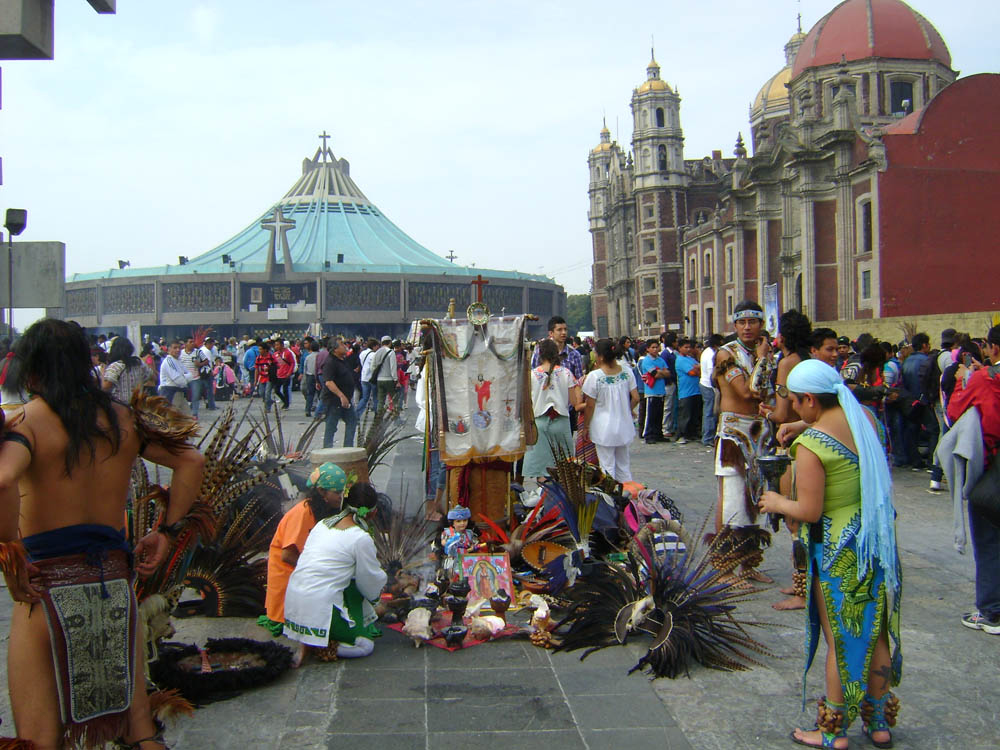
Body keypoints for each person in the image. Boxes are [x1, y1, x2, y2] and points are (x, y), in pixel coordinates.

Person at [0, 319, 205, 749]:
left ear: (31, 371)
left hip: (46, 594)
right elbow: (191, 462)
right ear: (86, 363)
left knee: (39, 741)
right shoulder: (124, 420)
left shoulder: (26, 423)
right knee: (137, 730)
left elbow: (2, 481)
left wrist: (10, 555)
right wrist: (165, 531)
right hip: (113, 589)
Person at [760, 359, 901, 750]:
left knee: (839, 638)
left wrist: (775, 501)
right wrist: (803, 424)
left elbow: (808, 511)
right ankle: (878, 722)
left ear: (809, 399)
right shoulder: (866, 421)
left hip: (837, 549)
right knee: (875, 634)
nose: (791, 409)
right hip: (870, 542)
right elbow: (836, 421)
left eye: (794, 402)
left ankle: (832, 729)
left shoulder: (811, 447)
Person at [283, 482, 386, 664]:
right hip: (319, 605)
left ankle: (309, 638)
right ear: (373, 513)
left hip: (294, 602)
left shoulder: (322, 524)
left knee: (352, 579)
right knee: (365, 645)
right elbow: (369, 580)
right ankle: (325, 646)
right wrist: (378, 600)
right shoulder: (360, 538)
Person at [712, 300, 773, 584]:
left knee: (754, 499)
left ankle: (749, 563)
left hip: (758, 432)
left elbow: (769, 394)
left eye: (753, 322)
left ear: (761, 324)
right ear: (734, 325)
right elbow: (749, 393)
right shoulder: (727, 354)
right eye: (742, 322)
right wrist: (762, 359)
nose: (747, 327)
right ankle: (724, 567)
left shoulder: (762, 353)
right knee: (732, 500)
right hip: (734, 434)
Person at [945, 325, 1000, 634]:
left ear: (992, 348)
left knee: (989, 540)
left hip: (992, 468)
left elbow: (954, 413)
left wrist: (962, 381)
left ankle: (991, 611)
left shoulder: (984, 379)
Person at [760, 309, 812, 611]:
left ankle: (801, 589)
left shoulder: (787, 364)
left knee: (795, 523)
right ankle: (801, 581)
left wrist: (763, 410)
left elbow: (781, 413)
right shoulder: (810, 360)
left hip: (790, 444)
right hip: (811, 440)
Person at [257, 462, 346, 637]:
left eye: (342, 492)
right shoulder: (303, 513)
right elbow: (288, 555)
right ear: (321, 492)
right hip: (288, 575)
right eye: (337, 492)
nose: (340, 497)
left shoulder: (322, 510)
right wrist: (317, 572)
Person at [523, 338, 583, 483]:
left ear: (540, 354)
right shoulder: (566, 373)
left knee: (542, 467)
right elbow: (575, 402)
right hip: (561, 422)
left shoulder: (531, 375)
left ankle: (544, 500)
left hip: (539, 424)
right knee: (565, 467)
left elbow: (526, 402)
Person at [581, 338, 639, 482]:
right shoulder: (626, 372)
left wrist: (586, 426)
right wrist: (627, 409)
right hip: (624, 424)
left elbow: (590, 405)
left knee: (607, 466)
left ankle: (610, 498)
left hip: (603, 427)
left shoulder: (595, 377)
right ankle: (626, 496)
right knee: (624, 466)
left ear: (600, 356)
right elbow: (636, 398)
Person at [321, 336, 358, 449]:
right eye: (342, 344)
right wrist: (341, 395)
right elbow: (329, 382)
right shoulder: (330, 362)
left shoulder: (343, 360)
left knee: (352, 421)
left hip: (346, 400)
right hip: (334, 401)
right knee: (331, 427)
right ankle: (327, 450)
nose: (345, 346)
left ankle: (348, 448)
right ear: (335, 349)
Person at [103, 337, 155, 402]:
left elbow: (105, 387)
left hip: (120, 406)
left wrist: (103, 371)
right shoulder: (139, 363)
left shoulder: (116, 366)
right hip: (137, 405)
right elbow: (152, 376)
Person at [638, 339, 670, 444]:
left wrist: (660, 372)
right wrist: (661, 372)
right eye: (653, 347)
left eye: (656, 347)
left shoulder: (660, 360)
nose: (655, 349)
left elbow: (668, 373)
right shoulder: (647, 361)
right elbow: (654, 374)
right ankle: (649, 434)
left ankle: (658, 433)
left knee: (659, 414)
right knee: (651, 415)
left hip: (661, 390)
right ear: (647, 349)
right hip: (651, 391)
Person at [673, 338, 701, 444]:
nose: (688, 349)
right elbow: (692, 372)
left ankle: (692, 433)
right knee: (685, 415)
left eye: (689, 347)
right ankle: (681, 435)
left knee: (694, 414)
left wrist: (698, 368)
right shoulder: (680, 360)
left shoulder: (690, 358)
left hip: (696, 390)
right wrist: (697, 369)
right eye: (686, 347)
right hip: (686, 392)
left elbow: (699, 368)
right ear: (679, 348)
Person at [157, 339, 195, 410]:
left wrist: (184, 377)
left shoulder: (178, 361)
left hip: (180, 393)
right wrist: (184, 377)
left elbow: (191, 375)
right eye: (175, 348)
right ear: (168, 350)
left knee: (188, 418)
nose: (178, 350)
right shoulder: (169, 361)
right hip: (171, 393)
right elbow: (180, 381)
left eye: (179, 348)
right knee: (174, 419)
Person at [700, 334, 722, 446]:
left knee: (708, 411)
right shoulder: (710, 354)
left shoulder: (707, 352)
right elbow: (710, 373)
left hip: (705, 384)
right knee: (709, 412)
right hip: (708, 385)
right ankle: (707, 437)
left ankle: (707, 435)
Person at [301, 340, 319, 418]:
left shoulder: (308, 357)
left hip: (309, 376)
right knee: (320, 394)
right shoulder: (320, 356)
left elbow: (305, 368)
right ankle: (320, 410)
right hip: (318, 376)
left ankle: (307, 410)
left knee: (310, 394)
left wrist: (304, 378)